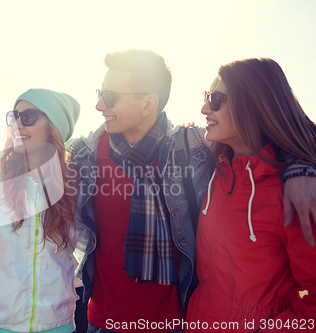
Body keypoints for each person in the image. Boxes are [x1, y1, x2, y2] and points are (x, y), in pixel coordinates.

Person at [67, 49, 316, 333]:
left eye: (110, 97)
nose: (99, 105)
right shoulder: (81, 155)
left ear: (148, 104)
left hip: (175, 323)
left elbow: (279, 128)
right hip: (104, 322)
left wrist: (301, 168)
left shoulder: (195, 151)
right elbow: (24, 180)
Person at [185, 58, 316, 332]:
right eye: (206, 97)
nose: (204, 108)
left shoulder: (296, 193)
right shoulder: (217, 169)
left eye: (216, 99)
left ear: (254, 108)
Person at [0, 89, 81, 333]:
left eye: (28, 117)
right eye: (13, 116)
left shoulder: (76, 186)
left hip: (56, 323)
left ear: (55, 126)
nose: (17, 124)